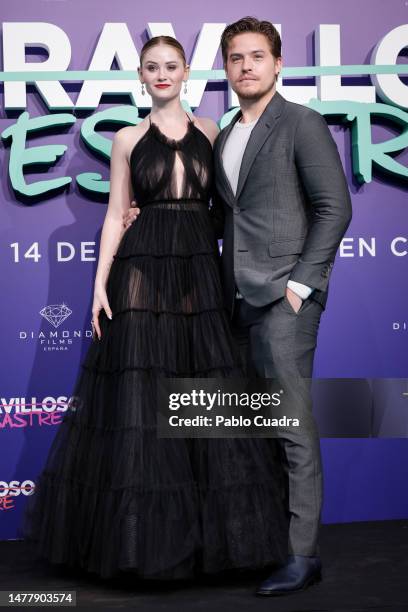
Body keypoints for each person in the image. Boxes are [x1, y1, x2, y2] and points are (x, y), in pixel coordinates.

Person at [19, 35, 289, 582]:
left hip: (198, 275)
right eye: (151, 67)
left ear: (187, 72)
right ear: (139, 75)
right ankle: (140, 547)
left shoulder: (213, 132)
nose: (161, 74)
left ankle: (217, 547)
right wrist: (99, 286)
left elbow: (225, 209)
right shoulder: (125, 139)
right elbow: (117, 214)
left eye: (171, 66)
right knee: (141, 408)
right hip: (140, 273)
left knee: (205, 404)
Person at [124, 19, 353, 596]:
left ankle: (302, 555)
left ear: (278, 64)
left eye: (257, 56)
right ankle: (271, 542)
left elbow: (334, 209)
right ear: (224, 69)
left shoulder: (301, 122)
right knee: (252, 426)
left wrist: (301, 285)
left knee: (291, 424)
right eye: (235, 58)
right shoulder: (223, 133)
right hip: (230, 299)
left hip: (283, 299)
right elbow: (222, 217)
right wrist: (146, 220)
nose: (246, 66)